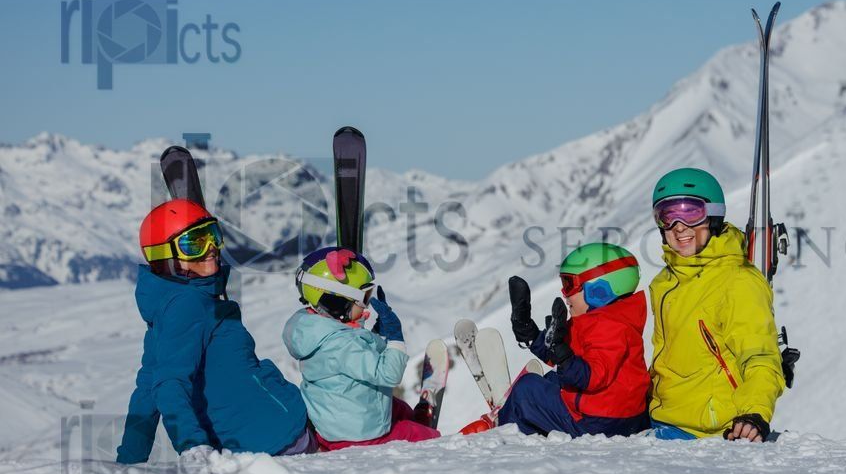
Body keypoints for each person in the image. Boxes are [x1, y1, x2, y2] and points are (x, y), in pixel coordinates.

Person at [117, 199, 313, 466]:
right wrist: (191, 444)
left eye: (213, 236)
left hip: (263, 434)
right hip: (279, 439)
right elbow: (168, 384)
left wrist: (129, 460)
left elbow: (148, 388)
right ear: (165, 256)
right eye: (193, 244)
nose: (211, 249)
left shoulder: (171, 306)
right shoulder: (189, 304)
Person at [648, 168, 786, 442]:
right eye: (667, 214)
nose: (678, 225)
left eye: (690, 212)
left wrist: (754, 413)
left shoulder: (737, 281)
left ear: (712, 216)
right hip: (661, 419)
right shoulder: (664, 282)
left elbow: (760, 358)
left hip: (708, 434)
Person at [470, 243, 651, 437]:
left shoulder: (609, 327)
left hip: (601, 422)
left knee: (527, 389)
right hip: (624, 415)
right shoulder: (605, 318)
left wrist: (562, 353)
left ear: (599, 289)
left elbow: (592, 377)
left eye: (569, 284)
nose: (565, 293)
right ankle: (533, 425)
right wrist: (530, 334)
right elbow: (567, 357)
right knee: (552, 380)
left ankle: (504, 435)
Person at [282, 247, 439, 450]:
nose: (366, 306)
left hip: (336, 419)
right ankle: (427, 436)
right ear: (337, 301)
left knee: (399, 408)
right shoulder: (342, 343)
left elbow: (356, 357)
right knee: (425, 437)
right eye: (364, 297)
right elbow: (388, 375)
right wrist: (395, 338)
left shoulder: (317, 329)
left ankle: (411, 420)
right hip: (358, 434)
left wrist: (376, 335)